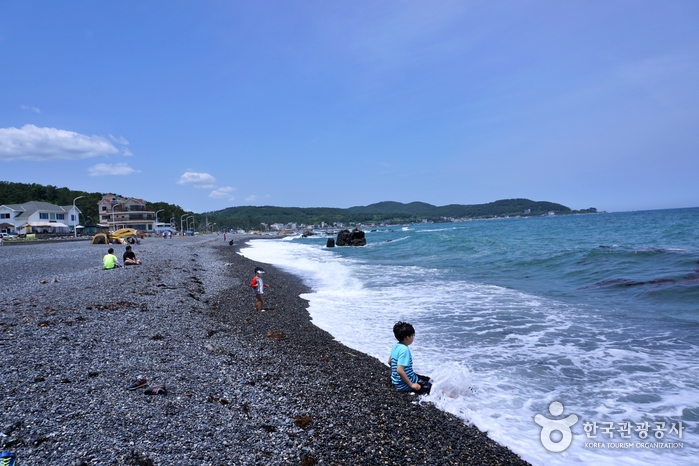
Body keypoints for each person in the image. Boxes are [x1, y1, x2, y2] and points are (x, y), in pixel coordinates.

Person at [388, 321, 431, 395]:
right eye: (412, 335)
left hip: (397, 381)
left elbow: (389, 362)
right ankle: (454, 398)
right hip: (404, 385)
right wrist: (411, 385)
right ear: (407, 337)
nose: (413, 337)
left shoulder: (396, 346)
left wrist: (396, 377)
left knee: (430, 380)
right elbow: (399, 370)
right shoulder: (404, 350)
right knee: (434, 389)